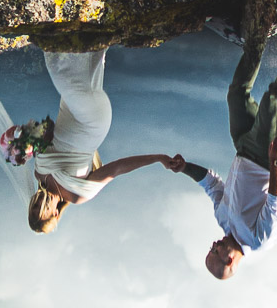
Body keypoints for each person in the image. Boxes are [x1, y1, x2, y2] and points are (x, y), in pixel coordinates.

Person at [165, 33, 277, 279]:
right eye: (215, 251)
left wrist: (184, 167)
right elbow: (276, 200)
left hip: (242, 146)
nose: (213, 244)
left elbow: (210, 184)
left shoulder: (223, 220)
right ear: (229, 258)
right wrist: (275, 163)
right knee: (272, 99)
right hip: (267, 157)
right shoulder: (258, 240)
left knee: (236, 94)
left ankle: (258, 37)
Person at [27, 48, 179, 233]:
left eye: (34, 208)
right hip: (91, 124)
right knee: (61, 68)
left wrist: (29, 136)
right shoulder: (77, 195)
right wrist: (157, 158)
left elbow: (48, 127)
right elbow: (116, 169)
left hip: (67, 109)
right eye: (43, 211)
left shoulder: (39, 174)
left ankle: (99, 32)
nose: (40, 205)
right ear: (55, 214)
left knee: (91, 58)